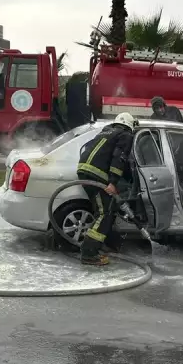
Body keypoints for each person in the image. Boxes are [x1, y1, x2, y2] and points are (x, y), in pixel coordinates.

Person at [76, 112, 138, 266]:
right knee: (105, 213)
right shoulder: (125, 135)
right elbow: (119, 158)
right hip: (96, 176)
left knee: (105, 209)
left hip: (85, 171)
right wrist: (113, 182)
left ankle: (107, 244)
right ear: (130, 125)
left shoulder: (106, 131)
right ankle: (88, 254)